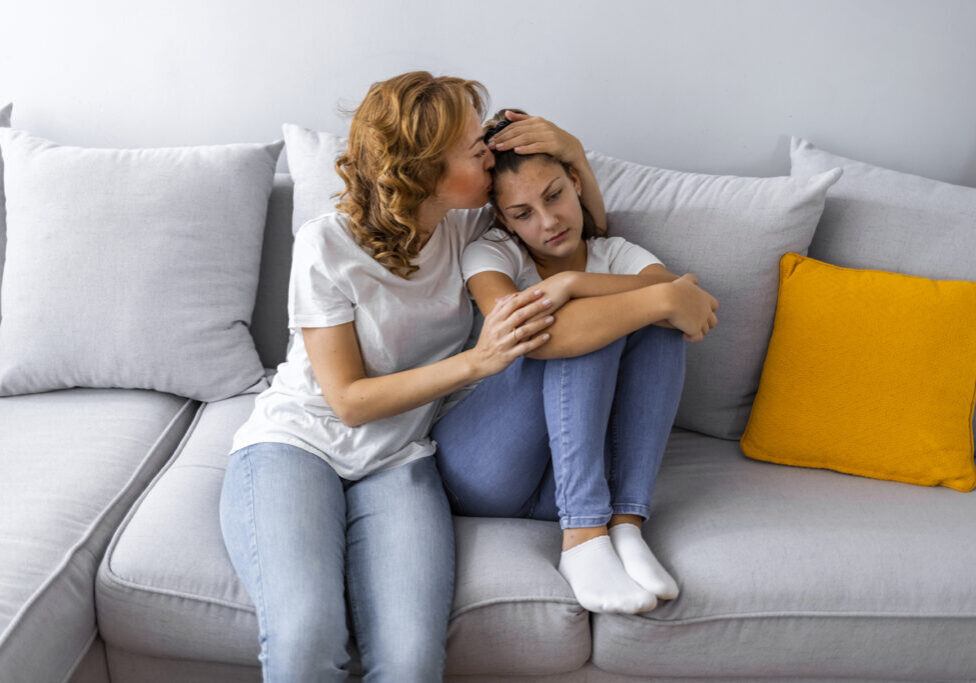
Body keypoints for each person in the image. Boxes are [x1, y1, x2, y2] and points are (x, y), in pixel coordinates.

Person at [218, 75, 608, 681]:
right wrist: (477, 361)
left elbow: (588, 237)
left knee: (411, 660)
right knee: (304, 637)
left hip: (401, 457)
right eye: (475, 148)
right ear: (426, 173)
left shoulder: (475, 228)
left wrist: (572, 151)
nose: (490, 152)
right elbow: (347, 400)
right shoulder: (325, 244)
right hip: (296, 445)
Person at [432, 110, 719, 615]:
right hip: (482, 467)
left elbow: (683, 301)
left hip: (567, 480)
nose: (548, 222)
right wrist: (572, 289)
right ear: (503, 221)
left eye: (555, 196)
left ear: (577, 186)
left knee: (655, 328)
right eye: (522, 213)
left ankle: (626, 525)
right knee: (584, 324)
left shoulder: (616, 252)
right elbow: (527, 331)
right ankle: (585, 537)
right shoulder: (490, 254)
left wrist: (582, 283)